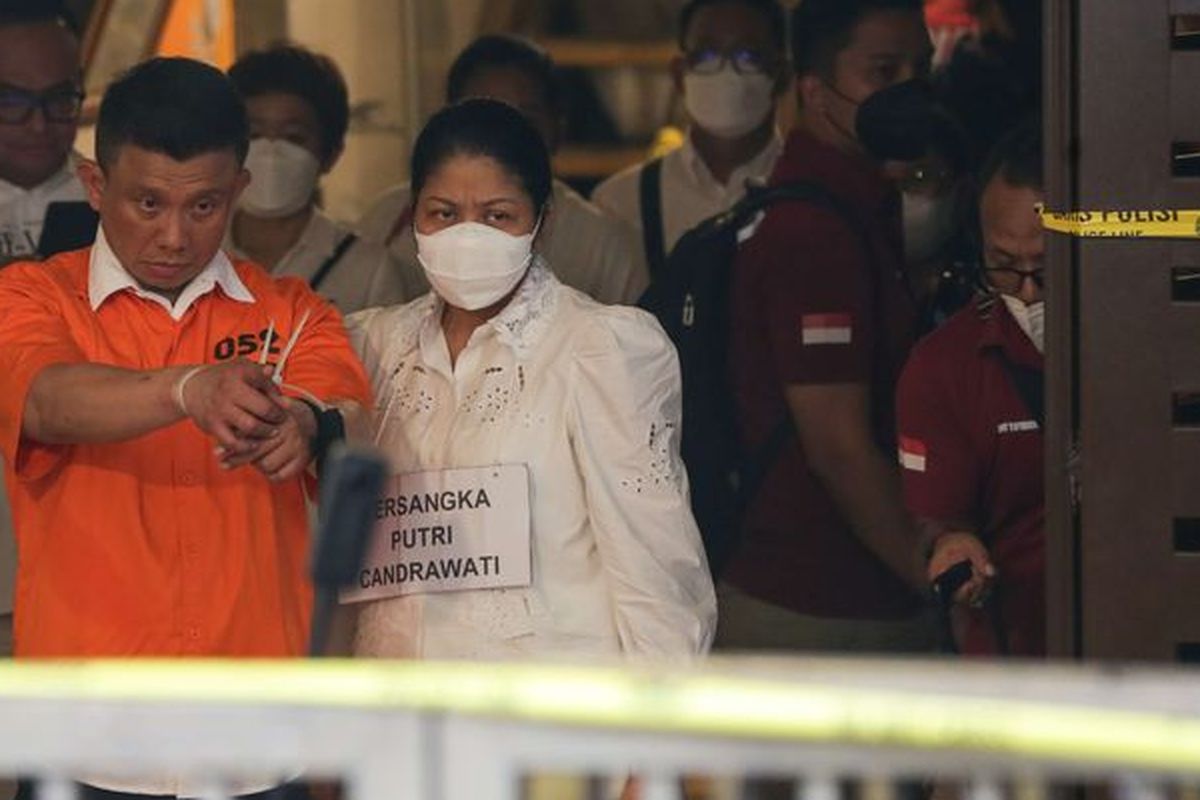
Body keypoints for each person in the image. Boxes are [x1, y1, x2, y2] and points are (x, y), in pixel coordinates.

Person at [0, 57, 370, 798]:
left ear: (238, 189)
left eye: (203, 207)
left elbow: (345, 408)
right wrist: (190, 389)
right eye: (147, 204)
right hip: (85, 742)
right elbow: (46, 400)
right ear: (96, 185)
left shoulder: (293, 313)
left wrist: (304, 423)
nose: (173, 235)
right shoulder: (31, 296)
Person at [347, 98, 715, 661]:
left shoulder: (596, 349)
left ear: (543, 221)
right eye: (443, 213)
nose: (468, 236)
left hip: (545, 724)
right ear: (412, 215)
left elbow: (657, 577)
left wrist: (656, 732)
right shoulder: (374, 346)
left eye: (498, 215)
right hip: (400, 718)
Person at [719, 0, 936, 653]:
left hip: (837, 599)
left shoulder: (859, 204)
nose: (908, 93)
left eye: (919, 70)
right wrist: (936, 584)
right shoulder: (814, 232)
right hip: (820, 610)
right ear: (815, 91)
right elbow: (838, 449)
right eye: (882, 70)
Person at [897, 122, 1045, 656]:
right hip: (1015, 659)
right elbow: (936, 518)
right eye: (1004, 265)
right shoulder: (943, 365)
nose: (1028, 291)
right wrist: (950, 543)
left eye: (1049, 267)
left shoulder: (1164, 336)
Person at [358, 35, 647, 306]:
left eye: (526, 117)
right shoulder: (387, 216)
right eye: (444, 214)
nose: (502, 135)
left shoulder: (602, 244)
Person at [0, 2, 96, 666]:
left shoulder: (126, 198)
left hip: (90, 529)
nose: (39, 124)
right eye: (13, 102)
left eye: (60, 101)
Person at [590, 0, 789, 270]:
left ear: (782, 75)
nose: (726, 72)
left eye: (748, 56)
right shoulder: (620, 204)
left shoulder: (820, 192)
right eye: (706, 56)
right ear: (679, 73)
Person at [226, 43, 402, 313]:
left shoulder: (367, 268)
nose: (270, 152)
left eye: (293, 137)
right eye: (253, 134)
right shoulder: (192, 252)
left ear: (330, 154)